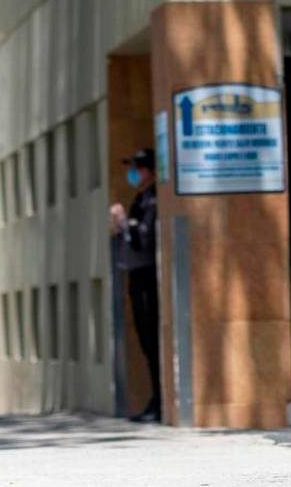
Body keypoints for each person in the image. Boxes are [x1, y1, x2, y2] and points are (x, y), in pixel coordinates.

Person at [110, 147, 161, 423]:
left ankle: (160, 401)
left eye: (138, 168)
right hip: (137, 275)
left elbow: (144, 239)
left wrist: (123, 223)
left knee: (152, 339)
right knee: (145, 340)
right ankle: (155, 398)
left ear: (150, 171)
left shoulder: (153, 200)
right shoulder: (141, 198)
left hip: (148, 278)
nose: (133, 173)